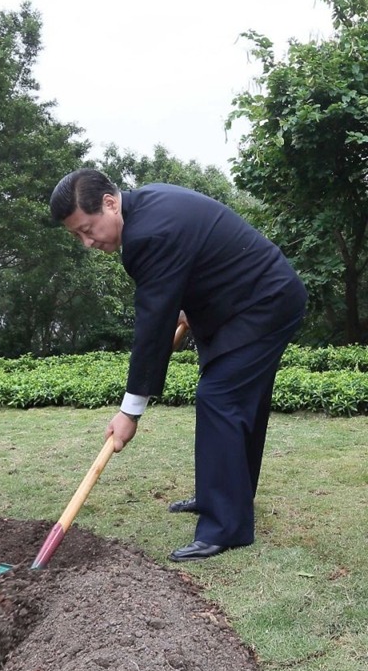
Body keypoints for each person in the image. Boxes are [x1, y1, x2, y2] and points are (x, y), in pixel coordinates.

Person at [49, 168, 307, 562]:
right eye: (76, 236)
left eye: (88, 228)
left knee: (220, 397)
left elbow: (152, 328)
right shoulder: (147, 209)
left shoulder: (148, 234)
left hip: (264, 303)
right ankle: (220, 498)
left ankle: (227, 526)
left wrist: (130, 411)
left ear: (109, 202)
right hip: (240, 304)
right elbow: (187, 269)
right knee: (234, 400)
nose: (87, 242)